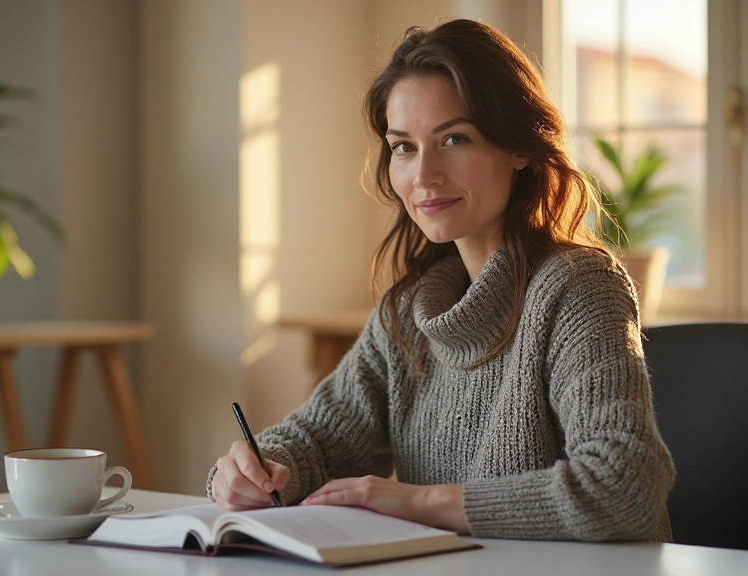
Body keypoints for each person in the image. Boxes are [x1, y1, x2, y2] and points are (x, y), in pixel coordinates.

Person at [208, 18, 675, 542]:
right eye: (404, 146)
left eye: (454, 138)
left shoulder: (580, 288)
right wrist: (256, 468)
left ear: (519, 148)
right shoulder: (407, 312)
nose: (423, 174)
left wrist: (420, 502)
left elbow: (623, 486)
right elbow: (318, 438)